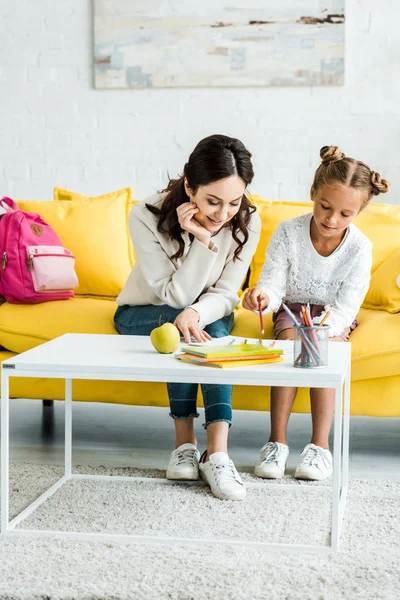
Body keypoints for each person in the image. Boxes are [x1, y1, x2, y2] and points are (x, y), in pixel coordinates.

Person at [115, 134, 261, 500]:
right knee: (194, 326)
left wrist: (195, 312)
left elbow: (228, 294)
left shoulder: (247, 222)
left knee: (204, 326)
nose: (223, 213)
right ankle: (186, 445)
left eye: (233, 201)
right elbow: (174, 295)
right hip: (142, 313)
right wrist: (201, 239)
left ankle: (217, 454)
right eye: (212, 201)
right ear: (188, 186)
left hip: (207, 316)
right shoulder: (144, 214)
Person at [243, 145, 389, 481]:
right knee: (293, 350)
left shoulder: (360, 247)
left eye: (344, 214)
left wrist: (322, 330)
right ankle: (276, 442)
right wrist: (262, 296)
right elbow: (273, 283)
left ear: (359, 211)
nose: (331, 219)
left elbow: (348, 303)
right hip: (292, 312)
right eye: (325, 207)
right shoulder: (288, 232)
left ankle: (319, 447)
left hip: (332, 317)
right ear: (313, 193)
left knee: (323, 351)